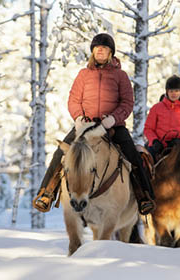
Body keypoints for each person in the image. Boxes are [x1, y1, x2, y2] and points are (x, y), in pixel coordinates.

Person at [34, 33, 155, 215]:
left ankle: (144, 196)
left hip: (112, 126)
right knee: (61, 153)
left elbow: (127, 103)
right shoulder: (83, 74)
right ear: (92, 51)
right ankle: (47, 193)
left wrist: (113, 119)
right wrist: (78, 118)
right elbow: (74, 99)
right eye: (97, 47)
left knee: (132, 155)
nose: (100, 50)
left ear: (111, 53)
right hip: (85, 126)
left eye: (104, 48)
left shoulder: (120, 76)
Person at [144, 75, 180, 161]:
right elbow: (148, 128)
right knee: (144, 164)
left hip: (179, 147)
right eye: (171, 91)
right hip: (158, 147)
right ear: (167, 92)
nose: (174, 94)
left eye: (176, 91)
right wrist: (154, 141)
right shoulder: (156, 108)